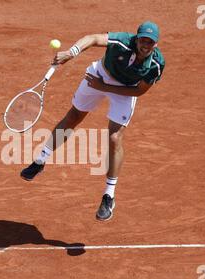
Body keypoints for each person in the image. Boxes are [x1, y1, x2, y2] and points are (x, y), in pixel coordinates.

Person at [21, 21, 165, 221]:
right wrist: (72, 52)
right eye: (143, 40)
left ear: (155, 44)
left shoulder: (157, 64)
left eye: (150, 42)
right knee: (73, 117)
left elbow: (138, 91)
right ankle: (40, 161)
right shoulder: (123, 41)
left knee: (115, 138)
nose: (145, 45)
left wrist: (104, 88)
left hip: (124, 91)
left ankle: (109, 196)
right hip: (100, 75)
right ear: (137, 38)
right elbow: (94, 38)